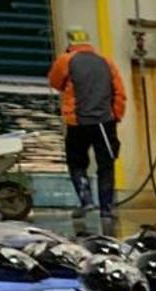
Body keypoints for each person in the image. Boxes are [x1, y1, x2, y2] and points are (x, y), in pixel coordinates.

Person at [47, 27, 124, 223]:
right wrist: (116, 116)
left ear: (70, 43)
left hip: (77, 122)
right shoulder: (106, 62)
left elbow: (55, 82)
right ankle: (106, 209)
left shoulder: (66, 60)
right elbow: (119, 92)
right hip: (104, 123)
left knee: (76, 163)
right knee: (106, 165)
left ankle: (86, 200)